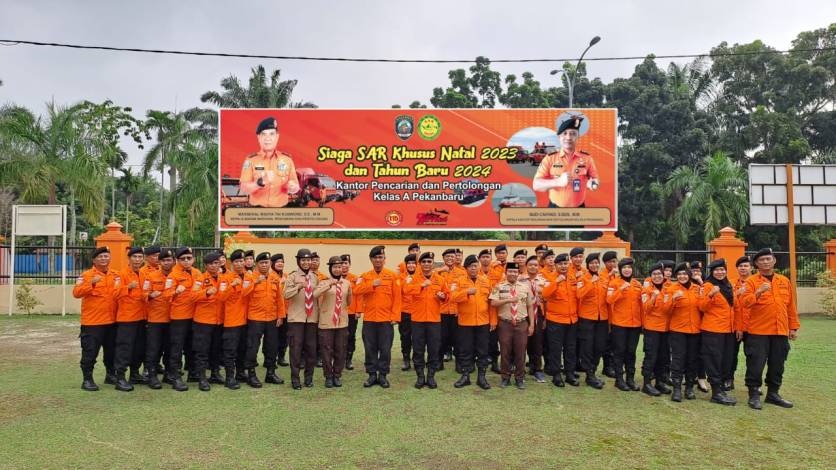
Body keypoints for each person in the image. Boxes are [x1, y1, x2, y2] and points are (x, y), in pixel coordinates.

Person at [739, 248, 799, 410]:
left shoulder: (783, 281)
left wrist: (793, 327)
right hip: (758, 332)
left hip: (780, 331)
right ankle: (753, 394)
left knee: (777, 364)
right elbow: (745, 303)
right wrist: (758, 292)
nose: (765, 262)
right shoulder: (751, 282)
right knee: (756, 364)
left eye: (768, 259)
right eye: (762, 260)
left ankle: (773, 394)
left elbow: (791, 306)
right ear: (756, 264)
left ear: (774, 261)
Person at [353, 246, 402, 388]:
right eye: (375, 257)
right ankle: (372, 375)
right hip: (369, 320)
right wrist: (371, 285)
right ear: (371, 259)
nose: (378, 260)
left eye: (381, 257)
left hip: (386, 320)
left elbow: (397, 299)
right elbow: (356, 290)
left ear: (384, 259)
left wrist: (395, 317)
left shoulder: (392, 276)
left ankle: (383, 376)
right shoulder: (365, 276)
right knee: (370, 348)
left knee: (385, 349)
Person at [73, 246, 120, 391]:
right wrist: (91, 283)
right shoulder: (86, 275)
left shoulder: (116, 275)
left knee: (111, 351)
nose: (104, 259)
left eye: (106, 256)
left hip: (112, 321)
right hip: (93, 322)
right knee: (90, 352)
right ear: (94, 260)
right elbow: (76, 292)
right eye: (100, 257)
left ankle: (110, 375)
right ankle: (87, 379)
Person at [532, 116, 600, 208]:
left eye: (573, 134)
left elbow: (595, 179)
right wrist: (558, 182)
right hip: (555, 211)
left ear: (577, 137)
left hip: (579, 210)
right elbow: (536, 184)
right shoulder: (549, 158)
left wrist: (593, 184)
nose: (568, 137)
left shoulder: (587, 158)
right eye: (565, 133)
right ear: (559, 137)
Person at [490, 262, 535, 390]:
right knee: (505, 352)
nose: (513, 274)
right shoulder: (499, 286)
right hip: (505, 324)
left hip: (521, 323)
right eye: (510, 271)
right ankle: (505, 378)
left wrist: (532, 324)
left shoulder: (525, 287)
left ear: (518, 273)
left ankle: (520, 378)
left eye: (515, 272)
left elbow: (530, 306)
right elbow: (493, 303)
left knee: (521, 352)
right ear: (506, 272)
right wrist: (508, 300)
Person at [403, 252, 445, 389]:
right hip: (418, 320)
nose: (427, 264)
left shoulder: (439, 279)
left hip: (434, 320)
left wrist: (443, 296)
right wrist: (421, 285)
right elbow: (406, 290)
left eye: (429, 261)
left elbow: (447, 295)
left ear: (433, 263)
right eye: (424, 262)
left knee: (434, 349)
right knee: (418, 349)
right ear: (419, 264)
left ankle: (431, 376)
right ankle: (420, 376)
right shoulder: (412, 278)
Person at [239, 116, 300, 207]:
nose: (268, 138)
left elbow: (296, 187)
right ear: (259, 137)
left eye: (271, 134)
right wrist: (259, 183)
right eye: (264, 134)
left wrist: (292, 187)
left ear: (277, 137)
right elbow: (243, 188)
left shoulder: (287, 160)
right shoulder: (251, 160)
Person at [699, 259, 738, 406]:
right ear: (712, 272)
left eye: (722, 270)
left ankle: (720, 389)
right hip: (713, 330)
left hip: (728, 330)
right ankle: (716, 392)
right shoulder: (707, 286)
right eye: (717, 270)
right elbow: (701, 307)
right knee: (714, 360)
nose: (720, 272)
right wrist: (710, 295)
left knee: (725, 360)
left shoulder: (729, 285)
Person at [451, 255, 493, 390]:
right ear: (466, 268)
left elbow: (491, 302)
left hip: (483, 321)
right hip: (465, 322)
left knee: (482, 350)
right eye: (471, 266)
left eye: (476, 265)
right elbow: (452, 297)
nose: (474, 268)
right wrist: (466, 292)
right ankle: (465, 375)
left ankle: (482, 377)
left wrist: (493, 320)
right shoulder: (458, 281)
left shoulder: (486, 281)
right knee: (465, 350)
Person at [244, 252, 284, 388]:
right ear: (257, 264)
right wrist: (255, 282)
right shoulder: (249, 277)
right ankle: (251, 374)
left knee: (272, 346)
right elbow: (244, 293)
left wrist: (280, 316)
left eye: (267, 262)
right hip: (255, 318)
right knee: (252, 347)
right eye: (262, 263)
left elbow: (279, 299)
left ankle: (270, 373)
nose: (265, 265)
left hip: (272, 318)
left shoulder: (274, 277)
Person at [191, 252, 229, 391]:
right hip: (203, 321)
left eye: (216, 263)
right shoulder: (200, 279)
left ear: (220, 264)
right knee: (202, 351)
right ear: (206, 266)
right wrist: (206, 293)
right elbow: (192, 296)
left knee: (216, 349)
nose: (214, 266)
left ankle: (215, 374)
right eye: (211, 264)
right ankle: (202, 378)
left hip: (218, 321)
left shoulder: (223, 279)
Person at [665, 263, 704, 402]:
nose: (682, 276)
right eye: (679, 274)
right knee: (678, 359)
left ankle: (689, 388)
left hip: (695, 330)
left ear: (689, 275)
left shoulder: (697, 289)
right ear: (676, 276)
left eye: (684, 274)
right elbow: (665, 310)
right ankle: (676, 388)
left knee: (692, 360)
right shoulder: (671, 289)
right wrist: (673, 300)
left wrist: (703, 287)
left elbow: (703, 307)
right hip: (678, 330)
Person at [283, 249, 320, 390]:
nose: (306, 262)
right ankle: (295, 379)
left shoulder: (315, 277)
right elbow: (285, 295)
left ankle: (308, 378)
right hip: (296, 319)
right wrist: (299, 286)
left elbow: (317, 296)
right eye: (303, 260)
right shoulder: (292, 277)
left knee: (311, 350)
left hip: (311, 318)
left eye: (308, 260)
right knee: (296, 350)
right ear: (299, 261)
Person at [112, 247, 148, 391]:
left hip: (142, 316)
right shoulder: (121, 275)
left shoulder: (144, 274)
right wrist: (128, 287)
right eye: (135, 257)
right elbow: (114, 293)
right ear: (129, 259)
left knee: (138, 348)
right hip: (127, 318)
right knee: (124, 348)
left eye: (140, 257)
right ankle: (120, 378)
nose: (138, 260)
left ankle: (134, 374)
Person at [166, 246, 201, 392]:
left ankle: (193, 373)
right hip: (179, 317)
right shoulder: (172, 276)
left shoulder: (198, 273)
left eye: (189, 258)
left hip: (195, 315)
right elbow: (166, 295)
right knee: (177, 348)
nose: (186, 261)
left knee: (192, 346)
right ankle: (175, 377)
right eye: (183, 259)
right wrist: (175, 291)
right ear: (177, 260)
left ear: (193, 259)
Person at [314, 256, 352, 388]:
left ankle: (337, 375)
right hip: (326, 322)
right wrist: (329, 285)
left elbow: (349, 301)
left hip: (342, 322)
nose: (337, 269)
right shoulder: (323, 282)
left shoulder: (347, 283)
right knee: (326, 350)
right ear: (330, 268)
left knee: (340, 350)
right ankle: (328, 376)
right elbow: (315, 294)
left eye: (339, 267)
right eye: (335, 267)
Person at [542, 253, 579, 387]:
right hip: (556, 320)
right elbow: (544, 294)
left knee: (570, 348)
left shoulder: (572, 278)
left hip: (572, 320)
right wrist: (556, 282)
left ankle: (569, 374)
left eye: (565, 263)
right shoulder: (549, 278)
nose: (563, 266)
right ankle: (556, 375)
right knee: (556, 349)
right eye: (560, 264)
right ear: (556, 265)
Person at [606, 257, 643, 392]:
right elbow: (609, 300)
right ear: (620, 270)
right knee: (619, 351)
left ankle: (630, 379)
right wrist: (620, 289)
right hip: (620, 324)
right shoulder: (614, 283)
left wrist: (643, 323)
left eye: (629, 267)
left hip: (635, 324)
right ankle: (619, 379)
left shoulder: (637, 284)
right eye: (624, 268)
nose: (627, 270)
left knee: (631, 352)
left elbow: (641, 305)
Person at [221, 250, 255, 390]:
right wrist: (232, 285)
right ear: (232, 263)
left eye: (242, 261)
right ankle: (229, 377)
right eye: (237, 261)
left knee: (243, 349)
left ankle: (240, 373)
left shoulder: (249, 276)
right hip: (232, 321)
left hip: (247, 319)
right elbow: (221, 297)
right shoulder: (226, 277)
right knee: (230, 350)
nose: (240, 264)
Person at [143, 248, 175, 389]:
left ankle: (168, 374)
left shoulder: (177, 276)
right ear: (160, 262)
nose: (167, 262)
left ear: (173, 261)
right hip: (155, 319)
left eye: (169, 260)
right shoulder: (151, 276)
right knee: (153, 349)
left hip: (173, 319)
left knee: (170, 348)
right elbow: (143, 294)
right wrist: (150, 296)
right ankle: (152, 375)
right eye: (164, 260)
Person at [576, 252, 609, 389]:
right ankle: (589, 375)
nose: (595, 265)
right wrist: (590, 283)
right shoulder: (582, 278)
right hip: (587, 318)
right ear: (587, 265)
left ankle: (593, 371)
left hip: (602, 318)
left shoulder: (603, 278)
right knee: (587, 347)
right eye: (592, 263)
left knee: (600, 346)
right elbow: (579, 295)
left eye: (596, 263)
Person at [639, 263, 671, 396]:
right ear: (650, 277)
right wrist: (654, 297)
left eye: (659, 274)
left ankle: (660, 382)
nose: (657, 276)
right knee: (651, 356)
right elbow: (646, 308)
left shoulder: (670, 288)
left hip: (666, 328)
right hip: (652, 328)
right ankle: (646, 384)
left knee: (663, 357)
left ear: (664, 275)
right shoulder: (646, 290)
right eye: (654, 274)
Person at [520, 255, 547, 383]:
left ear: (538, 267)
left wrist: (545, 317)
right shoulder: (520, 280)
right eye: (530, 264)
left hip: (538, 313)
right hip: (523, 313)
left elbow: (547, 300)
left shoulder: (543, 281)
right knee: (522, 343)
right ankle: (520, 370)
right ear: (526, 266)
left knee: (537, 342)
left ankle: (537, 369)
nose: (533, 267)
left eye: (535, 265)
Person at [437, 248, 464, 369]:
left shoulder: (462, 273)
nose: (450, 259)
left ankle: (459, 363)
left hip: (456, 311)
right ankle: (439, 363)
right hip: (441, 311)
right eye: (447, 257)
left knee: (458, 339)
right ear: (443, 258)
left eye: (452, 257)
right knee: (441, 338)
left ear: (456, 258)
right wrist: (439, 270)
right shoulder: (438, 272)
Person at [729, 255, 752, 391]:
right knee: (731, 354)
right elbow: (726, 302)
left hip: (752, 325)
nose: (743, 268)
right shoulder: (731, 283)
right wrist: (737, 293)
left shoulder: (756, 283)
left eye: (746, 266)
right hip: (734, 324)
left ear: (751, 267)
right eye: (740, 266)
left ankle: (752, 383)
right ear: (737, 268)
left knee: (753, 356)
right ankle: (728, 379)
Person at [487, 244, 509, 374]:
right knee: (493, 338)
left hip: (508, 305)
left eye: (503, 252)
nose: (501, 255)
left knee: (507, 339)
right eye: (499, 253)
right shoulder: (491, 267)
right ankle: (494, 363)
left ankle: (508, 363)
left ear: (507, 253)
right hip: (495, 304)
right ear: (496, 255)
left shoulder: (511, 266)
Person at [341, 254, 363, 371]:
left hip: (351, 312)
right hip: (339, 312)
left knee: (350, 336)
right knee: (339, 336)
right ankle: (340, 358)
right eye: (342, 263)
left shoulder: (355, 278)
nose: (344, 265)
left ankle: (348, 359)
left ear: (349, 264)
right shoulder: (335, 277)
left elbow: (359, 296)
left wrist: (358, 310)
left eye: (346, 263)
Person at [398, 254, 418, 371]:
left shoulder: (421, 277)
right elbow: (399, 292)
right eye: (409, 263)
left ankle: (417, 359)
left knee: (417, 337)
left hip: (418, 312)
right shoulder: (400, 278)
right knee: (405, 337)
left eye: (413, 263)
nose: (411, 265)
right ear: (405, 265)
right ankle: (406, 359)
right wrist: (406, 282)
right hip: (404, 311)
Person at [271, 253, 290, 367]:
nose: (280, 264)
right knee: (273, 337)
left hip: (286, 311)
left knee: (284, 336)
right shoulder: (271, 276)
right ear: (273, 264)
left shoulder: (286, 275)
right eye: (278, 262)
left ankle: (281, 357)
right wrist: (280, 283)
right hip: (274, 312)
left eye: (282, 262)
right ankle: (271, 358)